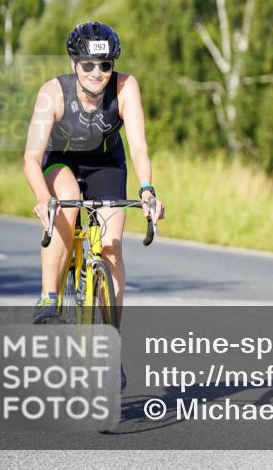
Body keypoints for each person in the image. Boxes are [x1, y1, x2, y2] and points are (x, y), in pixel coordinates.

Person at [23, 21, 165, 343]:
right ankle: (48, 297)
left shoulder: (125, 87)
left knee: (112, 248)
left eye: (105, 65)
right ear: (74, 63)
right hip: (62, 161)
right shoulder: (53, 93)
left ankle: (111, 341)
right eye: (88, 65)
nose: (97, 73)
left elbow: (139, 147)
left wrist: (147, 190)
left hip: (106, 164)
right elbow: (31, 157)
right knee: (68, 199)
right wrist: (43, 198)